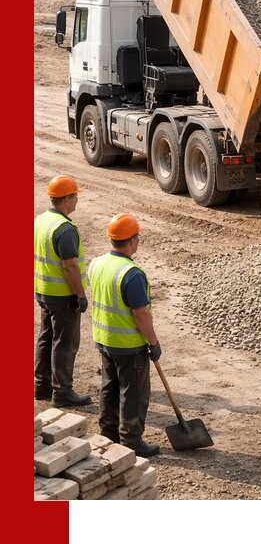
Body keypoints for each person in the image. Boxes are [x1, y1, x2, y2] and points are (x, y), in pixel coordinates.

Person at [89, 213, 161, 457]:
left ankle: (108, 433)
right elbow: (141, 314)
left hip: (104, 339)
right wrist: (153, 342)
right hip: (128, 345)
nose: (138, 240)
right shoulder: (132, 274)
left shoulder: (97, 263)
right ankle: (131, 440)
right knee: (133, 393)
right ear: (131, 240)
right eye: (137, 236)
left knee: (109, 387)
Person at [34, 175, 92, 406]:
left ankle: (41, 387)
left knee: (46, 337)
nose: (77, 199)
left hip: (43, 290)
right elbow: (69, 267)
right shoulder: (65, 230)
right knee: (64, 343)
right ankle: (62, 392)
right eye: (75, 196)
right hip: (62, 295)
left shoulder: (41, 220)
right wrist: (80, 295)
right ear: (66, 199)